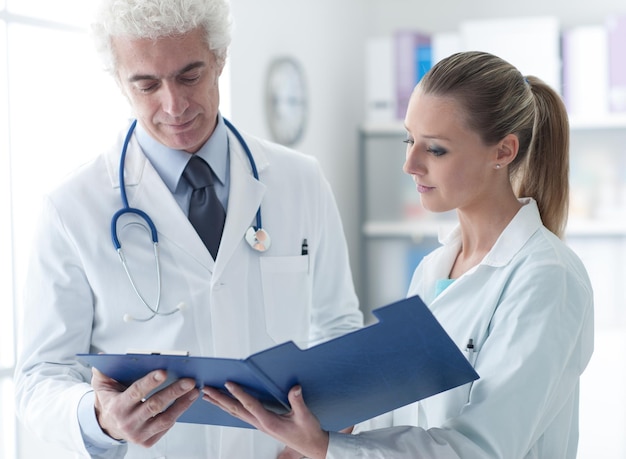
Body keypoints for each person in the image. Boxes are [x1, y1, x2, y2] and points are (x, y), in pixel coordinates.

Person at [13, 0, 363, 457]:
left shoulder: (300, 180)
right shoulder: (72, 208)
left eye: (189, 75)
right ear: (119, 81)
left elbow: (337, 325)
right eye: (146, 84)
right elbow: (40, 377)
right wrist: (102, 420)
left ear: (219, 58)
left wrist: (328, 425)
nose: (173, 104)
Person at [204, 51, 595, 458]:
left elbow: (480, 449)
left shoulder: (547, 278)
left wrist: (326, 447)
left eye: (436, 150)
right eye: (409, 140)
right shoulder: (434, 270)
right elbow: (403, 418)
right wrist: (325, 429)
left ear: (503, 152)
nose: (410, 164)